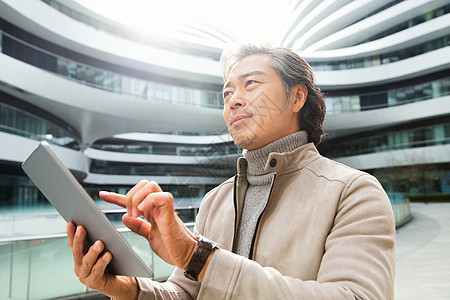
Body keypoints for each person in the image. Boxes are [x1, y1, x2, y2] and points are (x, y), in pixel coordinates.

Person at [67, 44, 395, 299]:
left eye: (250, 83)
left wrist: (199, 257)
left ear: (297, 97)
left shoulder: (353, 192)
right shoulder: (215, 200)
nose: (234, 100)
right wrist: (125, 288)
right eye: (227, 93)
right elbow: (186, 293)